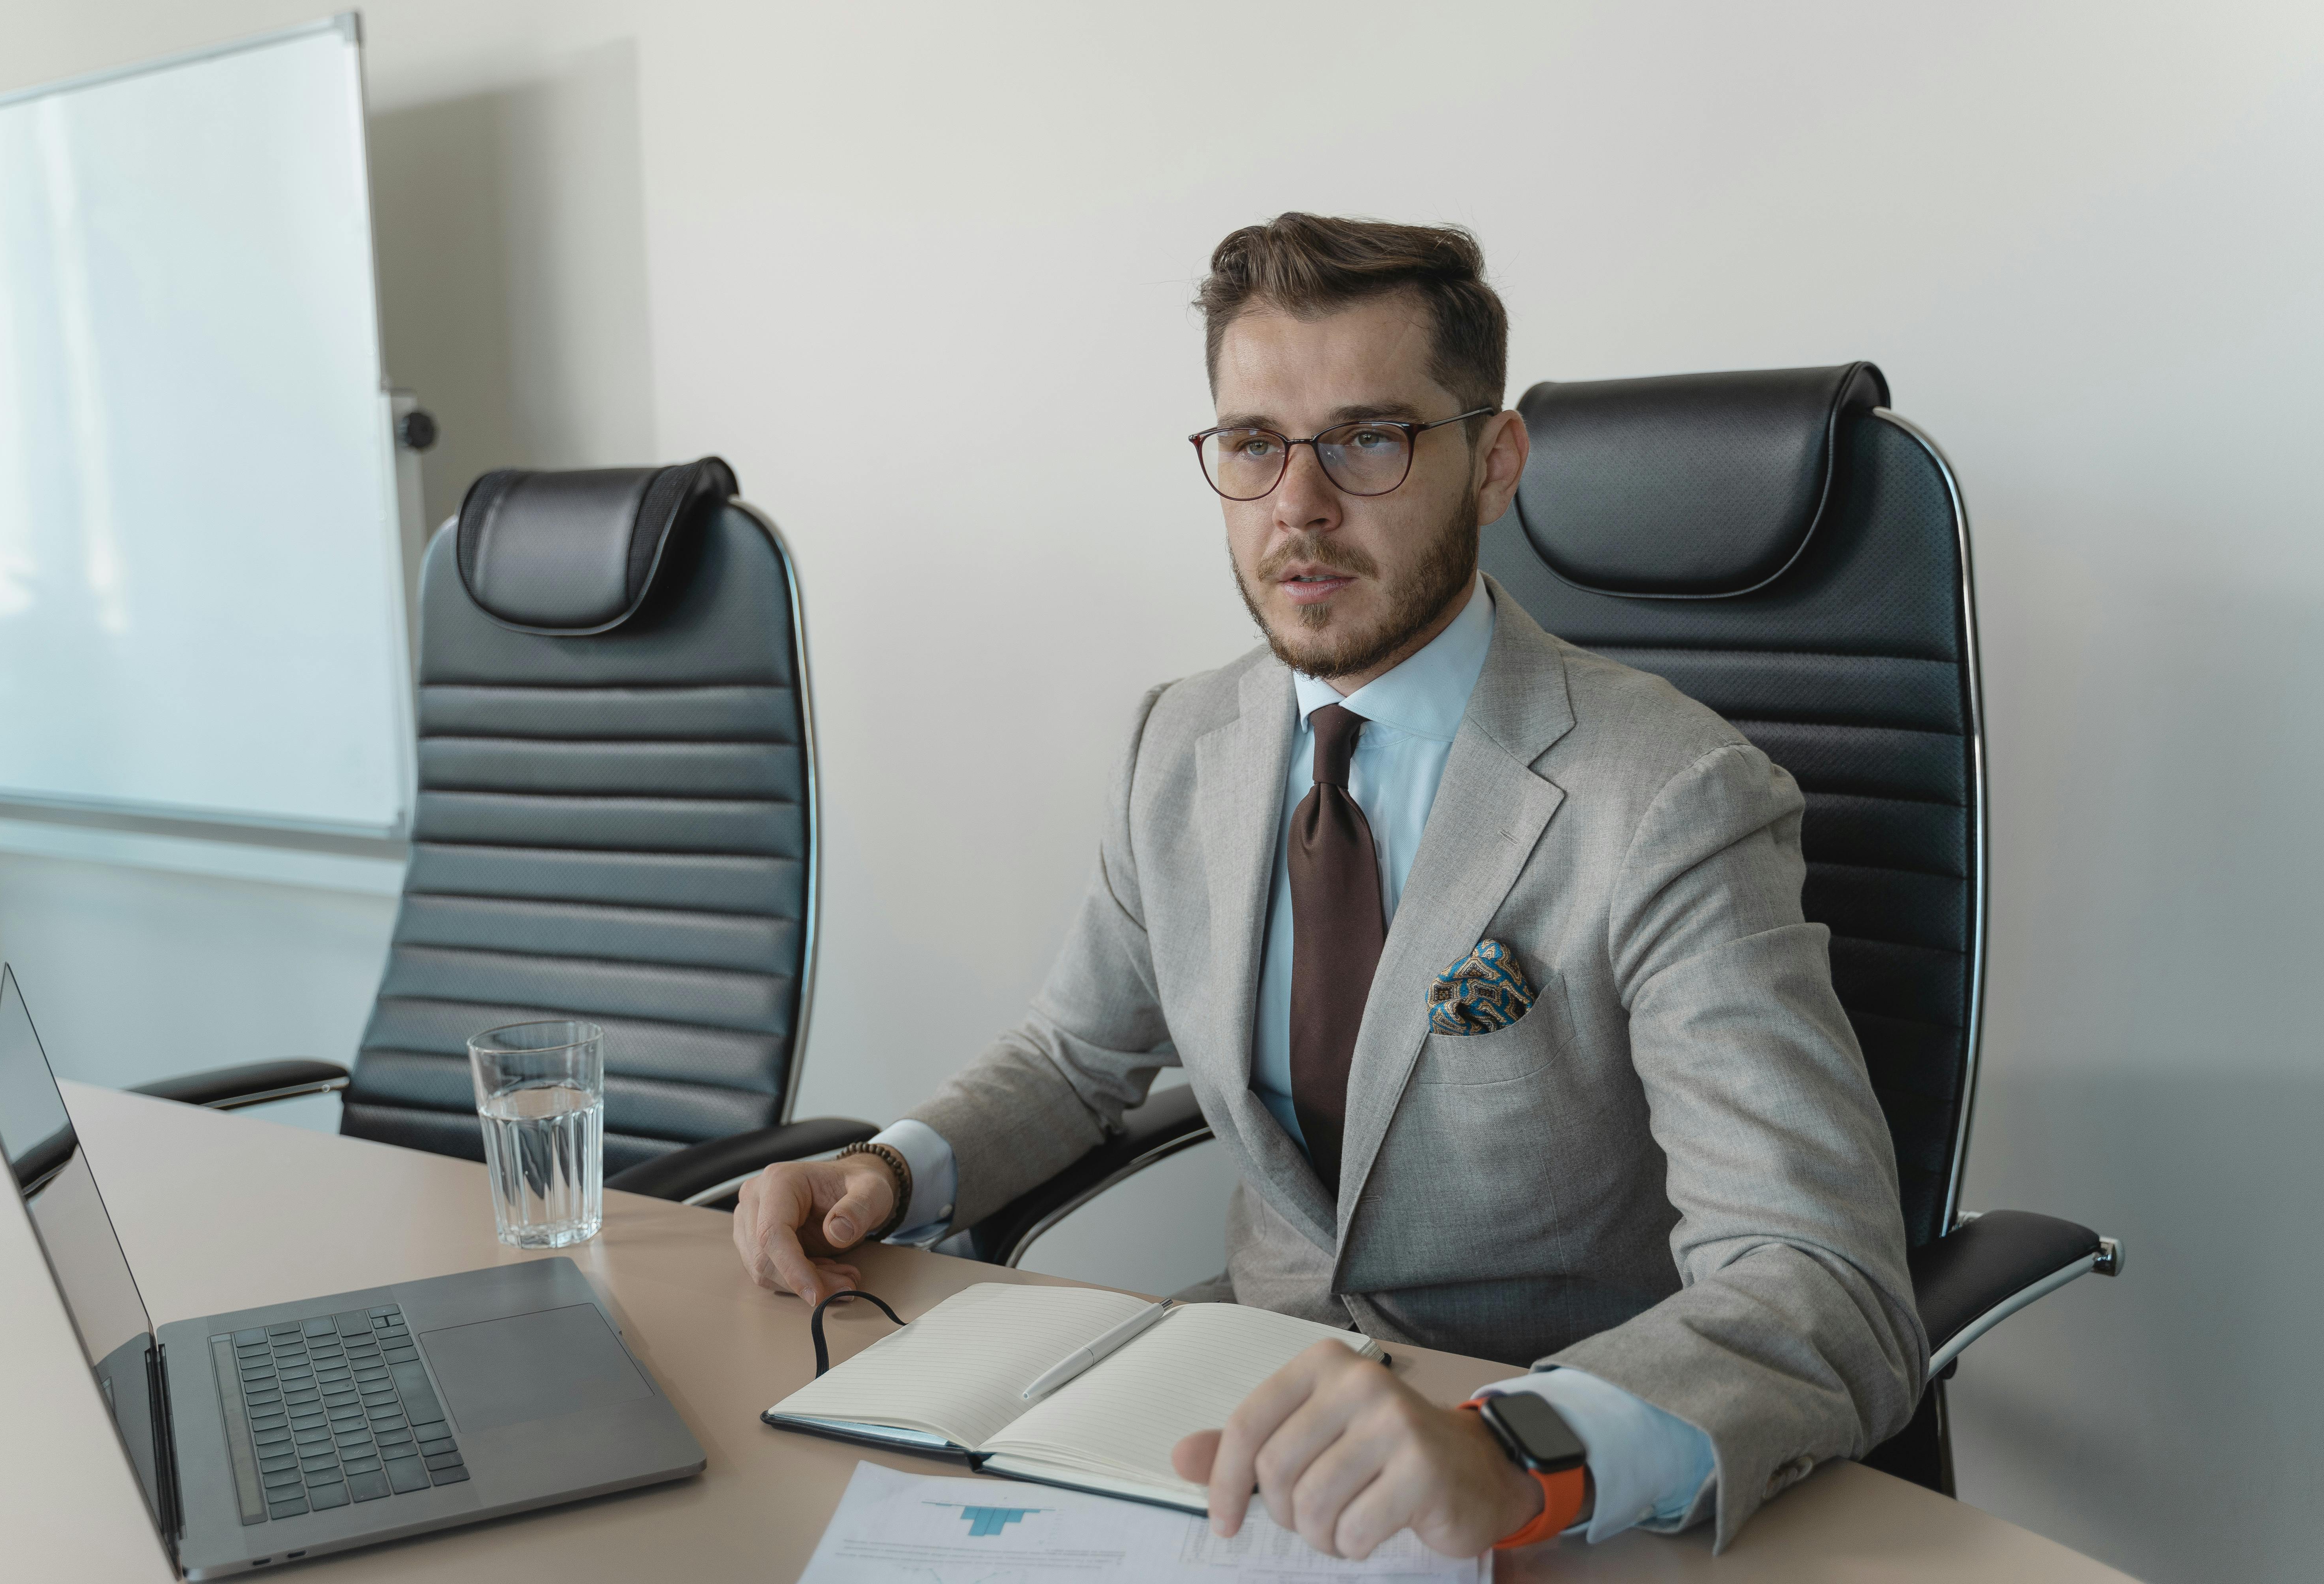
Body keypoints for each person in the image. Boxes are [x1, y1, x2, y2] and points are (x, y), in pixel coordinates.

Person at [732, 213, 1923, 1558]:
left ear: (1494, 463)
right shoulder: (1177, 742)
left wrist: (1518, 1451)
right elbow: (1075, 1056)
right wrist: (886, 1169)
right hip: (1242, 1429)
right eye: (1253, 445)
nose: (1298, 505)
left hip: (1543, 1468)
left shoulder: (1671, 796)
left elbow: (1822, 1278)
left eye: (1369, 439)